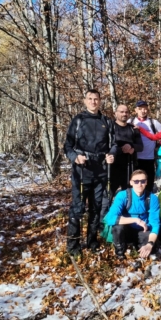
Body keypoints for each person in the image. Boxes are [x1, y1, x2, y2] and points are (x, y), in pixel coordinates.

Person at [63, 89, 117, 256]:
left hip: (100, 170)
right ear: (85, 101)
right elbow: (67, 146)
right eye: (90, 99)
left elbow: (114, 144)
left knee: (96, 207)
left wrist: (112, 155)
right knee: (78, 207)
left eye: (96, 99)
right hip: (82, 170)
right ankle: (73, 246)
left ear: (100, 101)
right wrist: (75, 157)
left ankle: (92, 242)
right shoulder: (78, 120)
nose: (93, 102)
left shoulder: (106, 121)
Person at [100, 104, 144, 222]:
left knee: (129, 197)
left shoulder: (133, 129)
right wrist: (119, 150)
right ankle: (103, 222)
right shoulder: (110, 128)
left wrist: (132, 147)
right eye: (121, 112)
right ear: (116, 113)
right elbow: (104, 145)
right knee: (107, 197)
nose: (124, 114)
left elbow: (141, 146)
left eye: (126, 112)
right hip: (112, 169)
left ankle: (127, 222)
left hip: (129, 168)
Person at [103, 170, 160, 258]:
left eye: (143, 181)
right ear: (131, 182)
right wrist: (136, 220)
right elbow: (110, 218)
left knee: (150, 250)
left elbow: (155, 224)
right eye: (136, 181)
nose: (139, 184)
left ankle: (140, 249)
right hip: (127, 230)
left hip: (143, 230)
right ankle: (120, 254)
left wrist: (150, 244)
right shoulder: (123, 195)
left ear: (146, 182)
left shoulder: (152, 198)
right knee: (117, 228)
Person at [127, 100, 161, 191]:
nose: (143, 111)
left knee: (148, 183)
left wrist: (159, 146)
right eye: (140, 109)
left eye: (145, 109)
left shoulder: (153, 122)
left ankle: (148, 199)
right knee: (135, 183)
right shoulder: (130, 121)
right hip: (134, 158)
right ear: (136, 110)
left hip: (149, 158)